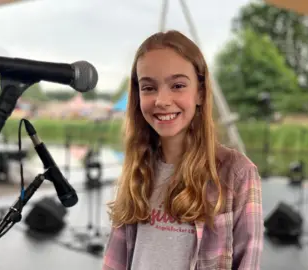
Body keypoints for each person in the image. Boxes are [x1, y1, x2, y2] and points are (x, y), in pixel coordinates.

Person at [102, 30, 263, 270]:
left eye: (177, 85)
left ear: (199, 92)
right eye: (149, 88)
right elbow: (114, 262)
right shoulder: (137, 167)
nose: (162, 100)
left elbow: (248, 263)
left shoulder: (237, 174)